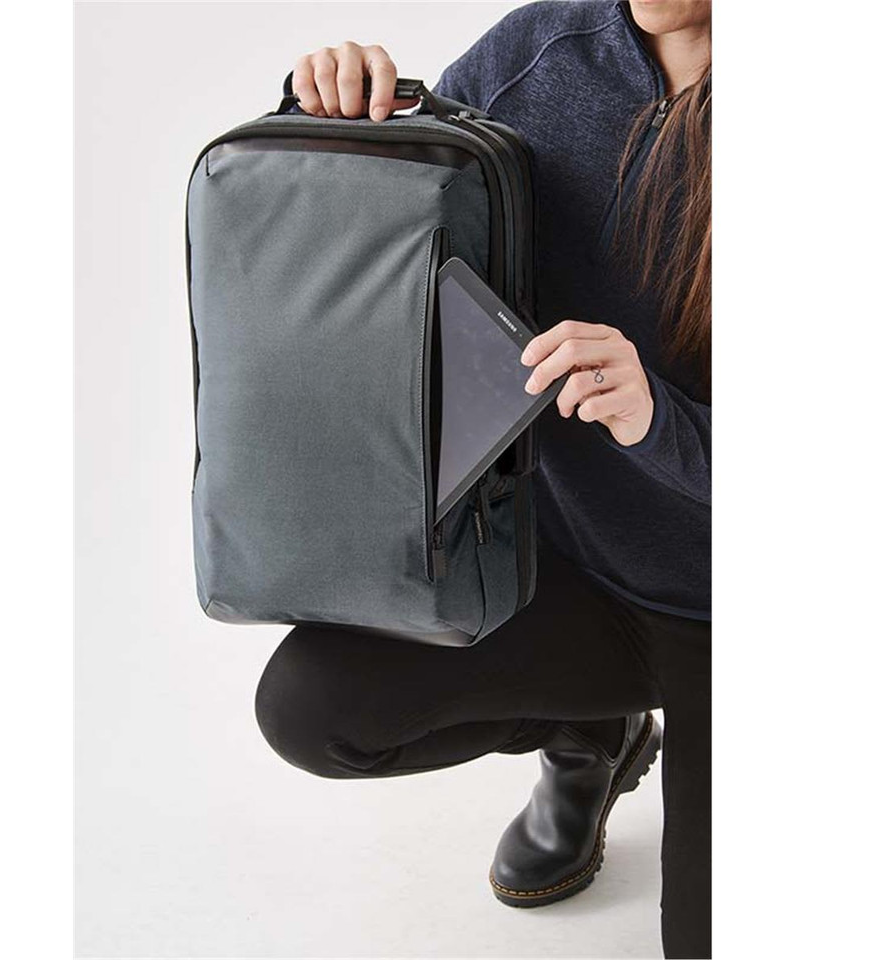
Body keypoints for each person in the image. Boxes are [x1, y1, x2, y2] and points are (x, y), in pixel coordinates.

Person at [253, 2, 711, 957]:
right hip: (573, 572)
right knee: (313, 709)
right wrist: (329, 109)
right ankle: (597, 737)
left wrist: (656, 422)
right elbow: (385, 208)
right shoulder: (546, 51)